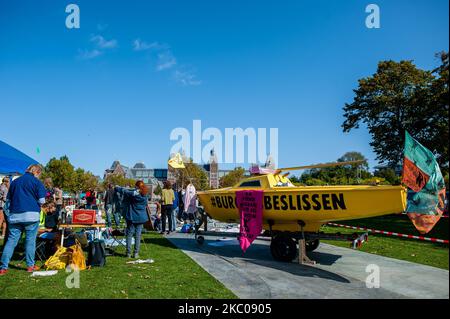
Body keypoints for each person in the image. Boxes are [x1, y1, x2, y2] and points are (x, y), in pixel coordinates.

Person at [0, 164, 47, 275]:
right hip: (31, 215)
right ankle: (30, 266)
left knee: (11, 241)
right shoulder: (37, 183)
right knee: (30, 242)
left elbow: (8, 200)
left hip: (15, 215)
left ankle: (3, 267)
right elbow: (42, 201)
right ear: (37, 172)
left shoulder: (15, 182)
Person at [115, 181, 149, 259]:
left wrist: (118, 187)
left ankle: (128, 253)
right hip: (141, 217)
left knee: (129, 235)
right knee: (138, 235)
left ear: (137, 187)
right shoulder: (145, 195)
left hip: (132, 216)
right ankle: (136, 253)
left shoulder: (133, 195)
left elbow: (125, 191)